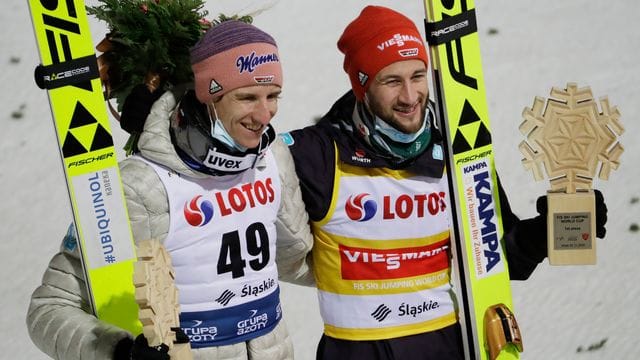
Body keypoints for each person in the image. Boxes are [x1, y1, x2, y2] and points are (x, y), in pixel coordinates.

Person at [280, 5, 609, 360]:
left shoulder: (459, 152)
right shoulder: (317, 155)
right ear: (362, 85)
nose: (409, 96)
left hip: (445, 348)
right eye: (391, 81)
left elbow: (499, 258)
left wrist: (549, 232)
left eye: (417, 76)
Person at [27, 20, 313, 360]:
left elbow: (297, 260)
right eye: (247, 97)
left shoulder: (272, 158)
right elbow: (50, 307)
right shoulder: (140, 186)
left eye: (273, 96)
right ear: (209, 95)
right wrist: (121, 352)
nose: (264, 114)